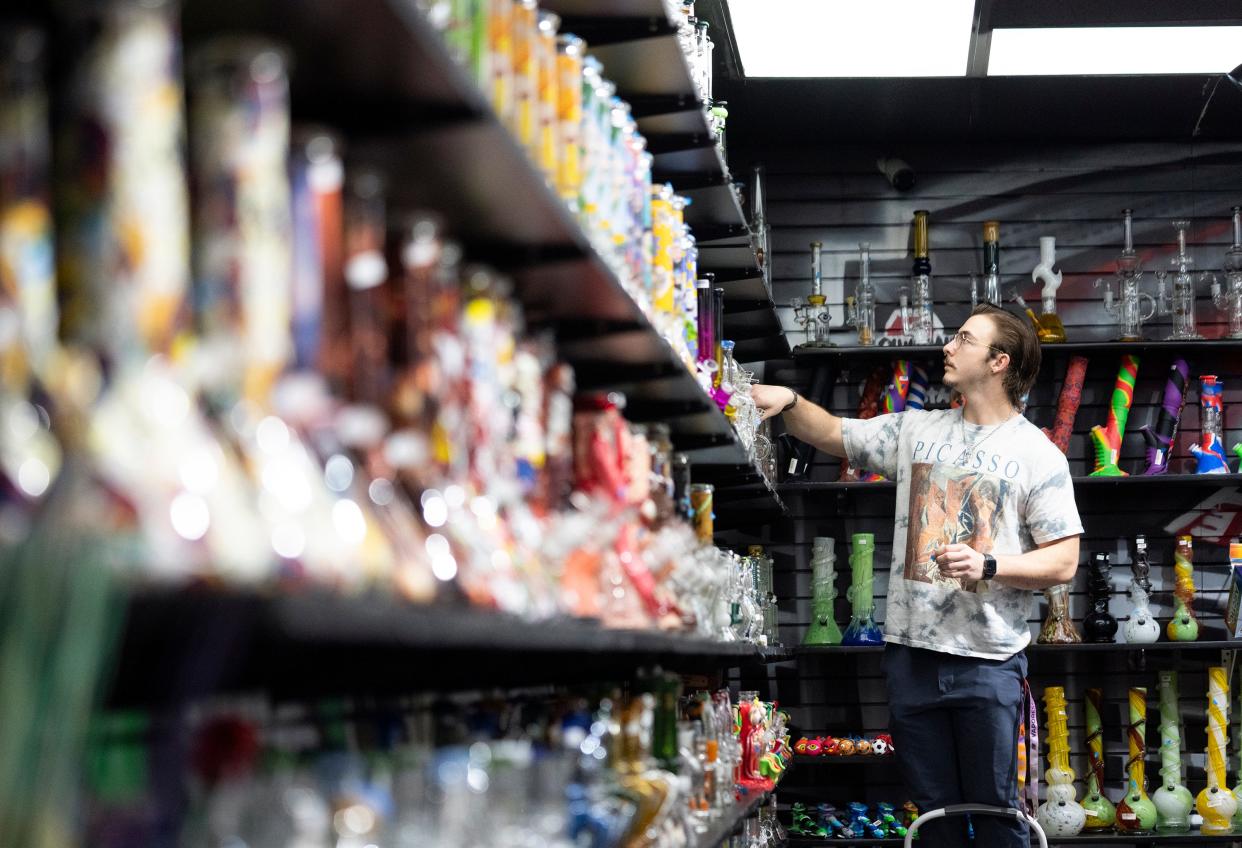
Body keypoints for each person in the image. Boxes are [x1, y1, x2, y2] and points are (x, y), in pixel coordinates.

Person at [754, 303, 1082, 847]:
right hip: (911, 657)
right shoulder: (917, 429)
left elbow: (1063, 559)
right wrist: (789, 401)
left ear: (999, 361)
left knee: (999, 818)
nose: (947, 347)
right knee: (934, 820)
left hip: (989, 665)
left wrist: (991, 565)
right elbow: (837, 434)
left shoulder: (1036, 455)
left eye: (964, 339)